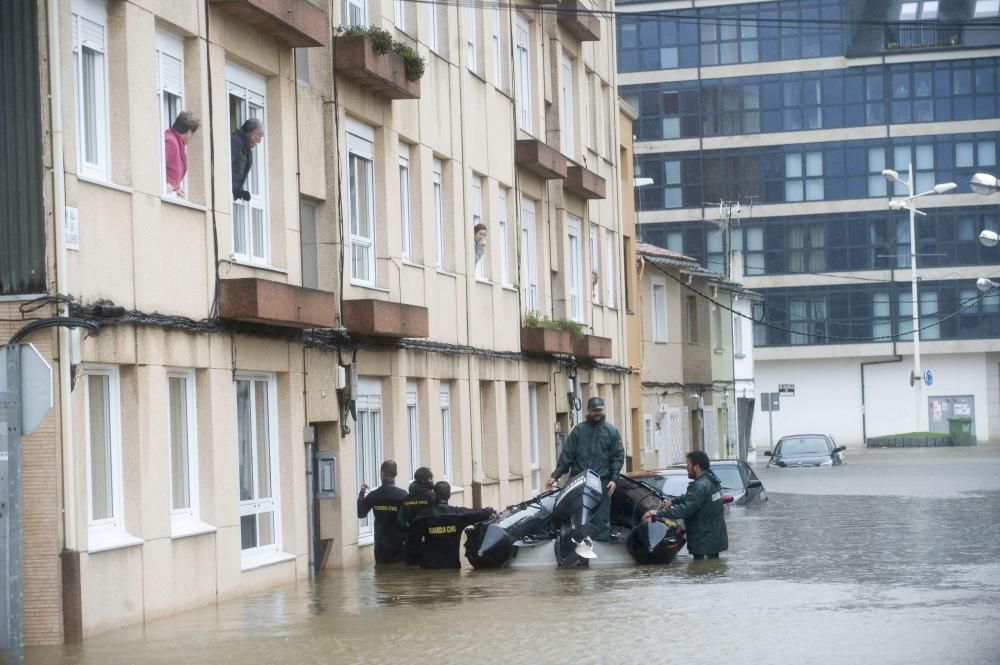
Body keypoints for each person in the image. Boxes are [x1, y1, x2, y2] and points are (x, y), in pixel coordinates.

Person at [544, 396, 625, 541]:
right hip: (579, 480)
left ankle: (601, 546)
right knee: (573, 514)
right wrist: (555, 476)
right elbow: (566, 456)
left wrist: (614, 479)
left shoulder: (611, 431)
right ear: (588, 410)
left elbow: (617, 457)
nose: (597, 412)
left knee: (600, 518)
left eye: (599, 409)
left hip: (602, 481)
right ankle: (571, 543)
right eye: (594, 410)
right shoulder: (578, 431)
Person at [642, 450, 728, 559]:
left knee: (704, 571)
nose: (687, 468)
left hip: (704, 543)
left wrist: (658, 513)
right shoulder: (711, 481)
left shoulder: (700, 486)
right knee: (710, 570)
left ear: (696, 467)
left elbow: (685, 510)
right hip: (712, 540)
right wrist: (673, 501)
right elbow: (693, 499)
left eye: (688, 465)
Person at [410, 481, 496, 569]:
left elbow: (413, 543)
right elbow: (477, 513)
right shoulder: (458, 515)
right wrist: (490, 510)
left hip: (429, 567)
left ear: (434, 495)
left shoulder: (422, 516)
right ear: (449, 495)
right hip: (452, 567)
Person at [357, 460, 409, 565]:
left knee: (381, 576)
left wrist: (362, 493)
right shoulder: (403, 495)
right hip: (399, 545)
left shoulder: (374, 495)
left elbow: (361, 513)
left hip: (381, 547)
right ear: (396, 474)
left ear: (381, 474)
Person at [398, 467, 436, 565]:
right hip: (429, 544)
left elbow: (400, 521)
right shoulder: (432, 497)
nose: (432, 481)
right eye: (430, 478)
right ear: (424, 480)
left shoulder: (406, 498)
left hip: (410, 545)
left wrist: (411, 530)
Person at [163, 111, 200, 198]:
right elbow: (156, 168)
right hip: (164, 195)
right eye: (192, 134)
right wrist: (166, 186)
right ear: (189, 132)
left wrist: (176, 188)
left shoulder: (177, 142)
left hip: (168, 195)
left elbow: (171, 171)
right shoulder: (171, 142)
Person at [231, 117, 264, 201]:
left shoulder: (244, 146)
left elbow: (237, 174)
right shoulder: (234, 142)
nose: (260, 141)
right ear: (252, 133)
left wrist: (239, 191)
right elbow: (226, 170)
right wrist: (233, 191)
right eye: (259, 136)